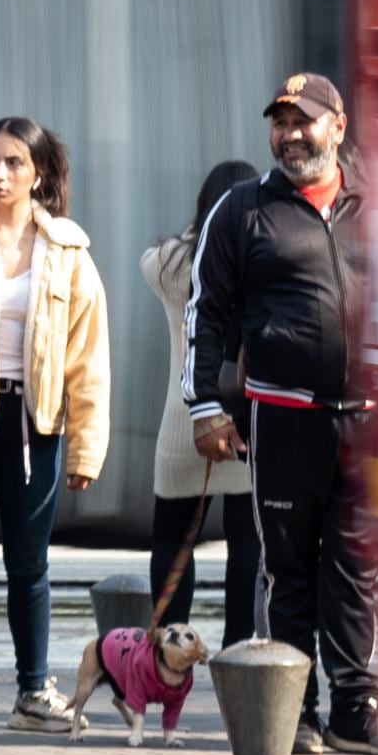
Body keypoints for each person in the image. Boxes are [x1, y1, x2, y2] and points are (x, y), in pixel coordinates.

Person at [188, 70, 377, 751]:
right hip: (282, 416)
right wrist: (205, 406)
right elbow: (206, 313)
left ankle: (356, 708)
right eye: (280, 123)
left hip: (369, 419)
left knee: (356, 567)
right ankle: (295, 710)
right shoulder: (242, 210)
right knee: (288, 569)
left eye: (304, 121)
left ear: (338, 126)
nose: (291, 135)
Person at [0, 116, 112, 733]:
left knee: (29, 564)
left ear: (37, 173)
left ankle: (33, 693)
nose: (1, 173)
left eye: (15, 162)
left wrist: (86, 450)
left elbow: (87, 358)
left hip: (34, 420)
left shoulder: (68, 250)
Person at [145, 160, 266, 641]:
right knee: (247, 546)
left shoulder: (171, 263)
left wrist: (194, 233)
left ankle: (168, 650)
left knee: (172, 541)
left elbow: (147, 261)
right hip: (243, 418)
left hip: (185, 419)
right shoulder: (261, 257)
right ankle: (236, 651)